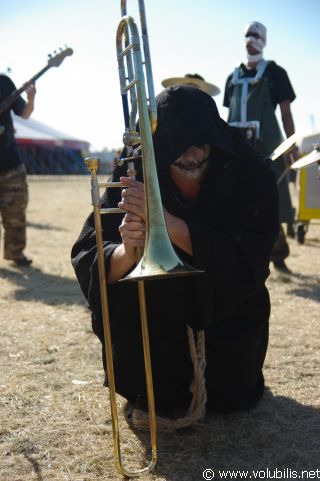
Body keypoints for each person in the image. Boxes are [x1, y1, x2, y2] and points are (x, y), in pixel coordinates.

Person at [71, 85, 279, 427]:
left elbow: (250, 262)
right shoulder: (134, 166)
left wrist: (168, 226)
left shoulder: (250, 170)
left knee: (230, 399)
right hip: (156, 325)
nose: (194, 155)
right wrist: (126, 252)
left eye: (203, 145)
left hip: (227, 324)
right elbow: (89, 253)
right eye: (181, 148)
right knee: (151, 377)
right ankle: (150, 389)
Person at [223, 21, 297, 273]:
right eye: (246, 34)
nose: (250, 39)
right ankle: (240, 254)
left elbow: (286, 114)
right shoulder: (231, 76)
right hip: (236, 147)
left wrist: (291, 145)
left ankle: (277, 254)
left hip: (267, 145)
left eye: (255, 35)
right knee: (235, 197)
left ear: (264, 40)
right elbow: (228, 114)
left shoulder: (275, 73)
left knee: (270, 197)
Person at [0, 73, 36, 266]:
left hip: (10, 164)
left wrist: (31, 98)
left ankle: (16, 253)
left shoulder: (3, 82)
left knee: (15, 213)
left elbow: (25, 113)